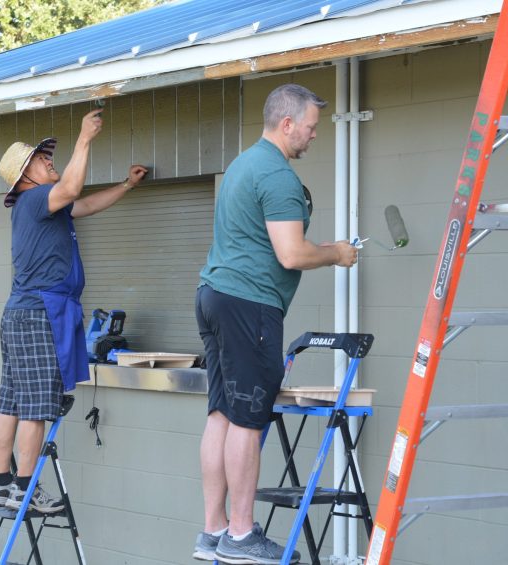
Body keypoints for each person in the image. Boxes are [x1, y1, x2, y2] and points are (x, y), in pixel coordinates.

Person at [193, 84, 358, 564]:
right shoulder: (278, 176)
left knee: (222, 414)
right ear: (287, 124)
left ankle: (214, 529)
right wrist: (337, 254)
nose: (312, 136)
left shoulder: (243, 165)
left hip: (213, 297)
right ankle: (241, 536)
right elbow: (292, 253)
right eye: (309, 128)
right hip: (249, 306)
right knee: (247, 418)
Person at [0, 109, 148, 513]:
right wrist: (85, 138)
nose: (49, 161)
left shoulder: (43, 206)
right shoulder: (38, 198)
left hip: (22, 313)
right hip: (40, 312)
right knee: (37, 408)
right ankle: (25, 489)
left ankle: (0, 483)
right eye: (42, 159)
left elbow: (86, 204)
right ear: (26, 174)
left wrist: (126, 185)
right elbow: (74, 186)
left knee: (12, 403)